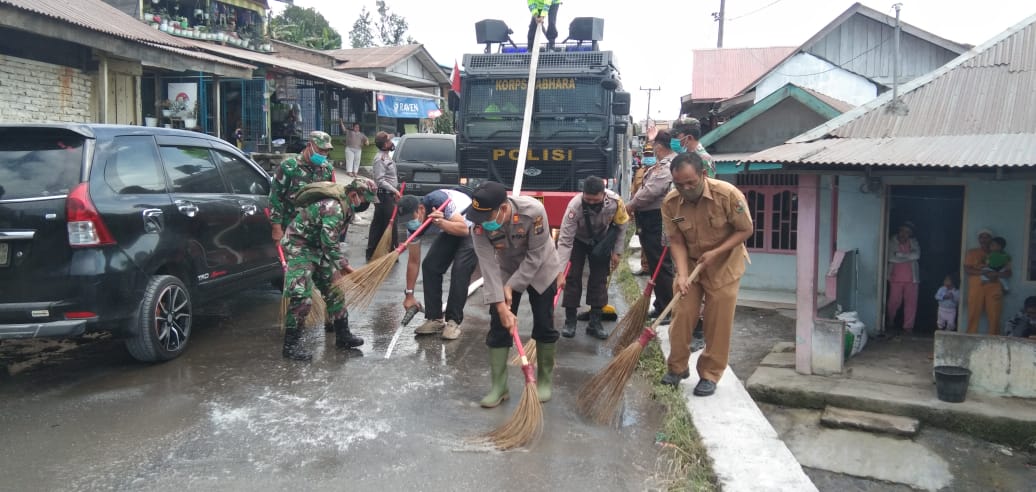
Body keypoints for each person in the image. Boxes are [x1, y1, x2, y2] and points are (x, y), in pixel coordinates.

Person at [661, 152, 753, 396]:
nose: (686, 188)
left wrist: (716, 252)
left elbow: (745, 230)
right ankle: (677, 367)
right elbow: (676, 240)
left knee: (717, 322)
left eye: (691, 182)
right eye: (679, 184)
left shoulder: (728, 194)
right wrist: (681, 275)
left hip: (725, 265)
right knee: (682, 315)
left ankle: (710, 374)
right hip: (691, 265)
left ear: (703, 174)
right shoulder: (671, 203)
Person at [465, 181, 563, 406]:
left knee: (544, 323)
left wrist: (512, 286)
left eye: (487, 216)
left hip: (541, 268)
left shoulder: (534, 212)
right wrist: (501, 305)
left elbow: (536, 255)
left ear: (504, 209)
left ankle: (545, 383)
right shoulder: (478, 225)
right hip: (506, 268)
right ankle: (499, 387)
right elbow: (488, 267)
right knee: (499, 325)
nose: (481, 223)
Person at [280, 178, 378, 360]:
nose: (366, 204)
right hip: (300, 246)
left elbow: (328, 244)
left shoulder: (346, 206)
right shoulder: (334, 208)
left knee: (335, 291)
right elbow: (330, 244)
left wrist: (340, 269)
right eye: (366, 199)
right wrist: (348, 269)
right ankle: (290, 346)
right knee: (302, 297)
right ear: (354, 195)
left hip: (318, 247)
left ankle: (343, 336)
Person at [397, 189, 477, 340]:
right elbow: (413, 261)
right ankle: (435, 319)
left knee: (460, 268)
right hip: (447, 227)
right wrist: (409, 295)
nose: (409, 223)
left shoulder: (439, 201)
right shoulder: (412, 229)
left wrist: (441, 222)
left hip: (469, 226)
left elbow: (463, 229)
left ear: (421, 209)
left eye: (411, 218)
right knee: (430, 266)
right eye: (405, 221)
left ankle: (453, 322)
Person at [555, 176, 629, 339]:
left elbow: (622, 225)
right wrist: (560, 271)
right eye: (588, 199)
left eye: (595, 200)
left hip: (602, 240)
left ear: (604, 195)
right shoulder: (575, 206)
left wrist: (617, 252)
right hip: (578, 240)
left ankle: (595, 323)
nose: (592, 203)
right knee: (572, 277)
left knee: (599, 278)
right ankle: (570, 321)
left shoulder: (615, 202)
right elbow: (565, 240)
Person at [626, 130, 676, 320]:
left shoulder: (668, 166)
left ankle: (667, 309)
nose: (653, 149)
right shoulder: (662, 164)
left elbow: (650, 191)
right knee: (656, 264)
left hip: (656, 219)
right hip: (649, 219)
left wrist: (630, 206)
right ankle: (661, 304)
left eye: (654, 145)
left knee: (661, 265)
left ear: (660, 146)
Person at [269, 131, 337, 243]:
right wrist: (276, 228)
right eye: (320, 150)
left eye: (326, 151)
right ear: (309, 145)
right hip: (291, 230)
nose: (323, 154)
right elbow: (275, 198)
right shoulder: (289, 166)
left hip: (315, 233)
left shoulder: (327, 170)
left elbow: (331, 198)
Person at [965, 229, 1009, 335]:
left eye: (987, 237)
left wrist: (995, 274)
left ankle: (993, 338)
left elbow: (1008, 273)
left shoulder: (1002, 255)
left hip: (994, 286)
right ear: (978, 239)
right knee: (973, 311)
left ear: (991, 239)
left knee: (994, 313)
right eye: (981, 237)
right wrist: (983, 272)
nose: (984, 239)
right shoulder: (972, 252)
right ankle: (970, 336)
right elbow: (967, 269)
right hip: (977, 286)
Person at [367, 131, 401, 261]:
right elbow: (380, 180)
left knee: (379, 224)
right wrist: (395, 191)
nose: (392, 143)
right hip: (384, 196)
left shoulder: (386, 157)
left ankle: (373, 252)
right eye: (389, 141)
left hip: (387, 195)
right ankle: (392, 253)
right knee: (390, 224)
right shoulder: (379, 159)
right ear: (385, 144)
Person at [886, 221, 921, 334]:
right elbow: (891, 258)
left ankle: (908, 326)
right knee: (893, 302)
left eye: (907, 232)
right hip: (895, 277)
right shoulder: (892, 241)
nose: (904, 234)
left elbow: (917, 256)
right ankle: (890, 320)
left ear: (910, 234)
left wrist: (900, 255)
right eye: (902, 231)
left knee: (911, 303)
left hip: (912, 278)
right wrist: (908, 256)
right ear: (899, 231)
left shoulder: (914, 242)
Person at [631, 146, 653, 276]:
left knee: (654, 241)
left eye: (651, 155)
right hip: (640, 212)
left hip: (654, 212)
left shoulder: (659, 171)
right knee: (642, 238)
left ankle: (654, 267)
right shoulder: (639, 172)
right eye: (647, 154)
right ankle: (645, 267)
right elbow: (634, 191)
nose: (648, 157)